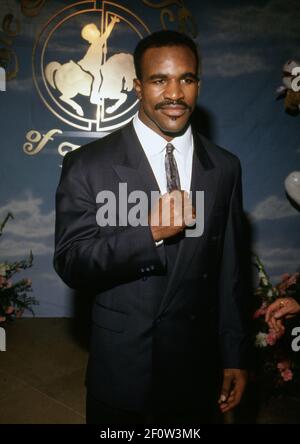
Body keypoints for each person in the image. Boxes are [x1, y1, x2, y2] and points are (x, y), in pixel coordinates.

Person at [54, 30, 249, 424]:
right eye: (160, 80)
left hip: (197, 370)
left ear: (198, 84)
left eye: (186, 79)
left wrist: (235, 355)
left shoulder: (225, 166)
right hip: (123, 372)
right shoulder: (87, 164)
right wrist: (149, 233)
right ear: (138, 87)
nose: (174, 93)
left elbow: (231, 272)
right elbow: (72, 263)